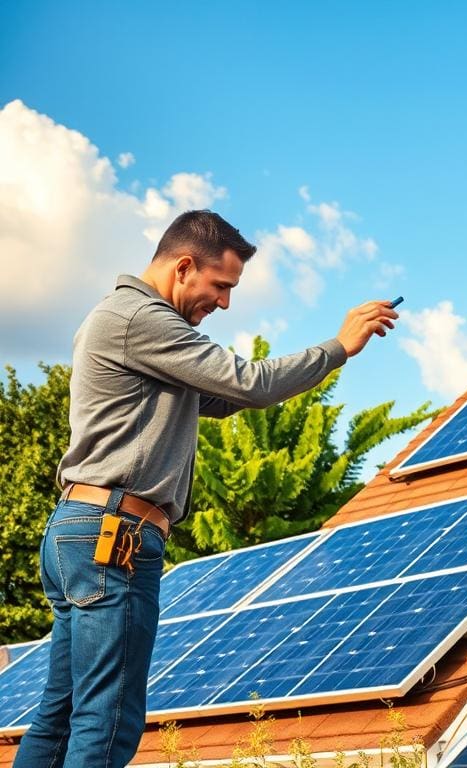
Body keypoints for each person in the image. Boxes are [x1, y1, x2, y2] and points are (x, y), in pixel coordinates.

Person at [13, 210, 399, 768]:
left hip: (84, 531)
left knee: (63, 712)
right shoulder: (139, 317)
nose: (223, 304)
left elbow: (226, 397)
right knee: (108, 717)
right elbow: (251, 383)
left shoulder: (124, 323)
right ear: (184, 267)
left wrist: (285, 374)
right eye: (221, 286)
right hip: (114, 538)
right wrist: (338, 347)